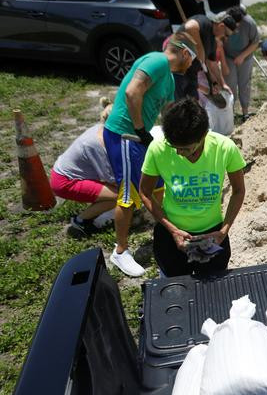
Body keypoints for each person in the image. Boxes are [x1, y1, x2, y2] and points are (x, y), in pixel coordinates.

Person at [103, 32, 197, 277]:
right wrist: (140, 130)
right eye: (192, 59)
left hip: (141, 135)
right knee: (128, 192)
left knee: (157, 183)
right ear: (185, 53)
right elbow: (132, 92)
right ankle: (120, 251)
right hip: (125, 134)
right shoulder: (157, 61)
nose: (192, 65)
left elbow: (167, 112)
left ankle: (167, 229)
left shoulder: (170, 80)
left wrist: (179, 137)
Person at [139, 98, 246, 277]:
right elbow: (145, 192)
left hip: (213, 234)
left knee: (214, 291)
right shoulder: (158, 149)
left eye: (186, 149)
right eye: (174, 148)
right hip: (171, 235)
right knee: (175, 288)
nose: (179, 153)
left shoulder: (224, 148)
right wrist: (172, 230)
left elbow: (238, 190)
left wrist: (222, 232)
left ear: (203, 136)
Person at [52, 102, 117, 238]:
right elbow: (110, 178)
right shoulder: (97, 144)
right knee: (120, 195)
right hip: (65, 182)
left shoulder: (100, 128)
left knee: (116, 191)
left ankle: (96, 209)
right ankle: (80, 221)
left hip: (64, 174)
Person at [177, 11, 238, 101]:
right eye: (226, 35)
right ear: (221, 26)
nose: (225, 38)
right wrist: (199, 47)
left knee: (192, 105)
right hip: (177, 71)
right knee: (178, 105)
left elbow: (212, 64)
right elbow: (190, 26)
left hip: (191, 76)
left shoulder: (213, 42)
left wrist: (222, 83)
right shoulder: (204, 22)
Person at [225, 5, 261, 122]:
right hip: (229, 56)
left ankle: (245, 112)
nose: (238, 26)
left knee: (244, 84)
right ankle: (230, 113)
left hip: (245, 57)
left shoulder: (249, 22)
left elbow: (255, 42)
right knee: (230, 84)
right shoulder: (224, 22)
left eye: (239, 23)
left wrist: (242, 56)